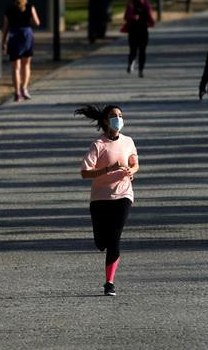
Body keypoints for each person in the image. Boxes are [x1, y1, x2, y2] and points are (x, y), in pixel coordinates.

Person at [76, 104, 139, 296]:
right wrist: (107, 170)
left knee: (114, 238)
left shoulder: (128, 141)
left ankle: (109, 282)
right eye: (113, 116)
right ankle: (102, 243)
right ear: (105, 121)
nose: (118, 119)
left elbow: (135, 162)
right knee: (101, 241)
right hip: (100, 198)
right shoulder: (98, 145)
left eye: (120, 115)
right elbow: (85, 173)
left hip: (123, 195)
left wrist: (131, 170)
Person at [2, 0, 40, 102]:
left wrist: (3, 41)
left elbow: (5, 27)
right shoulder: (29, 7)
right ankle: (25, 88)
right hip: (26, 36)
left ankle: (17, 92)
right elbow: (37, 22)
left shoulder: (9, 10)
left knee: (16, 67)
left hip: (14, 36)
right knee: (26, 65)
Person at [121, 0, 155, 78]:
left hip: (143, 31)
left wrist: (151, 21)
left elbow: (150, 17)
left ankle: (141, 70)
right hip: (133, 31)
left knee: (142, 51)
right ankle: (131, 63)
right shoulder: (131, 4)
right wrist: (133, 17)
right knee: (133, 50)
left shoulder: (146, 5)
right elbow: (126, 16)